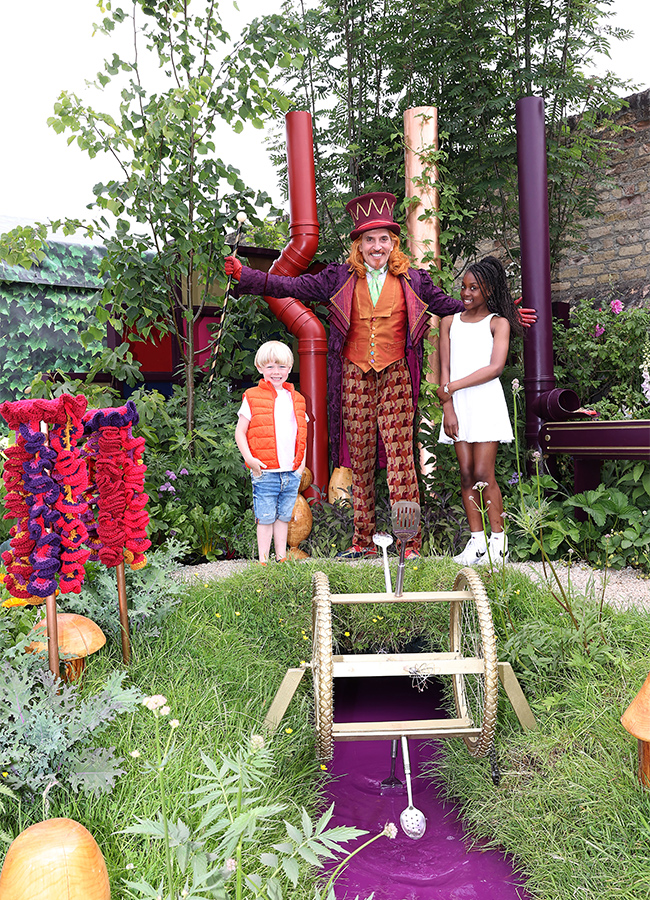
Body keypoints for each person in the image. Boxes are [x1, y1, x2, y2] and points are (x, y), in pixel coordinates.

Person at [226, 193, 535, 559]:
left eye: (384, 239)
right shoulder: (337, 278)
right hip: (355, 376)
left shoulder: (414, 280)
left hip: (397, 375)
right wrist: (246, 276)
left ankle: (409, 544)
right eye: (369, 239)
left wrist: (502, 313)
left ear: (394, 243)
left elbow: (455, 307)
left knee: (401, 460)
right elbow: (290, 286)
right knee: (359, 460)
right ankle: (363, 541)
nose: (377, 246)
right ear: (359, 244)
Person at [436, 256, 525, 566]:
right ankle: (476, 544)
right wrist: (448, 405)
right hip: (458, 405)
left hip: (485, 402)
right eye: (464, 287)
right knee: (465, 474)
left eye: (474, 288)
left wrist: (453, 387)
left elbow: (495, 368)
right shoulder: (449, 322)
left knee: (483, 474)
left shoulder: (498, 323)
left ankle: (499, 544)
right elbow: (444, 369)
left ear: (489, 290)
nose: (466, 293)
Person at [235, 340, 307, 563]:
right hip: (265, 471)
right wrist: (250, 459)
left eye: (282, 366)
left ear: (290, 367)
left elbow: (302, 435)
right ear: (260, 368)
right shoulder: (252, 396)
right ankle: (264, 561)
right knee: (265, 518)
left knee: (283, 517)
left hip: (291, 471)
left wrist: (301, 464)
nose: (276, 372)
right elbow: (240, 432)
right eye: (270, 366)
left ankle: (281, 558)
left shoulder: (298, 400)